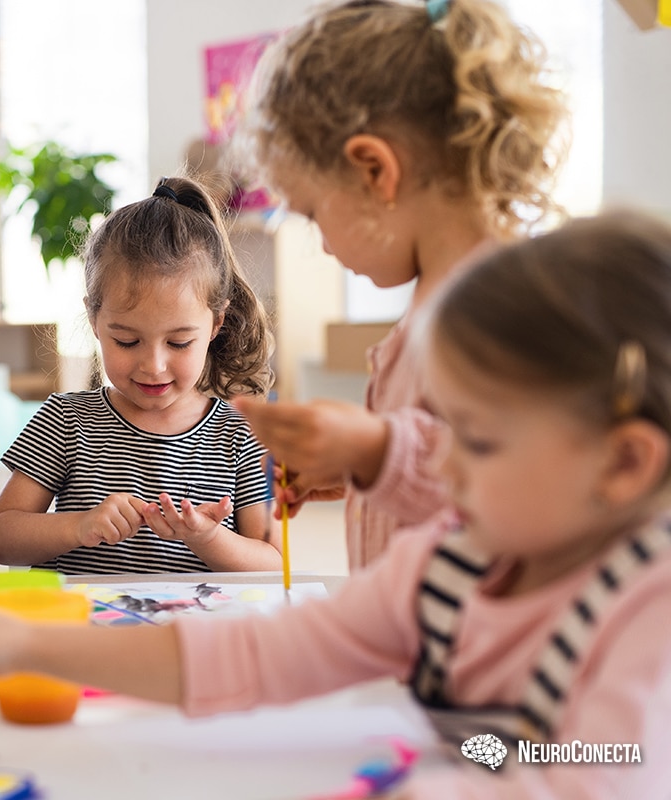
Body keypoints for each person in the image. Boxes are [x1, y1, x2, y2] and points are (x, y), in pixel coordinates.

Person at [0, 211, 671, 798]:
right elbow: (259, 654)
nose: (436, 461)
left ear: (624, 462)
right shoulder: (445, 562)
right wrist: (25, 648)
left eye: (474, 439)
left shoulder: (650, 614)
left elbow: (595, 770)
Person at [228, 0, 569, 569]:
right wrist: (364, 471)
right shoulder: (435, 302)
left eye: (312, 214)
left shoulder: (506, 308)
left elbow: (531, 489)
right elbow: (446, 458)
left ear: (374, 171)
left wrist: (377, 448)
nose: (324, 245)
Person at [0, 176, 281, 574]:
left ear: (215, 324)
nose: (153, 366)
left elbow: (273, 563)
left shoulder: (243, 435)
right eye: (126, 341)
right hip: (82, 632)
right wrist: (78, 526)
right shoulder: (66, 420)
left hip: (190, 634)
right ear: (94, 319)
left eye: (178, 343)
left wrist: (207, 537)